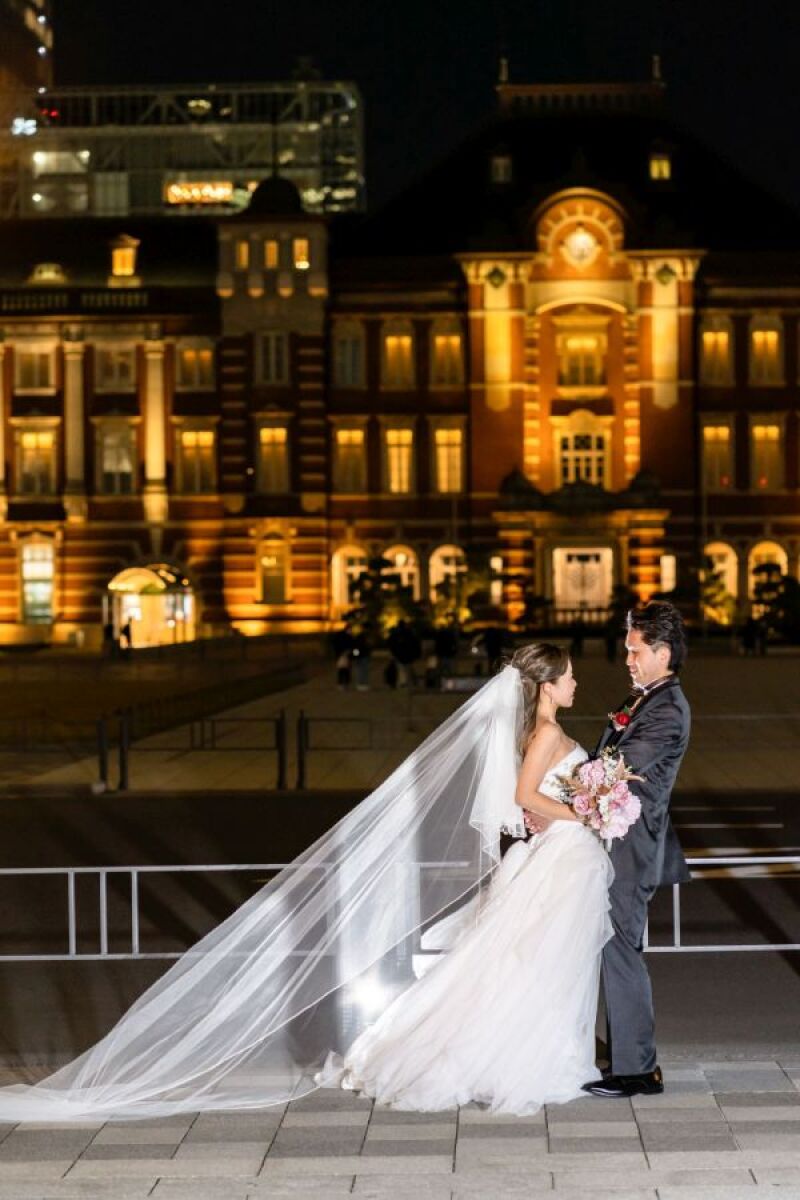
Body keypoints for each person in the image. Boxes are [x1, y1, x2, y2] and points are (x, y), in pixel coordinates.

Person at [0, 643, 615, 1122]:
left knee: (529, 963)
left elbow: (528, 801)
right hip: (557, 853)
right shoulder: (548, 736)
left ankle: (542, 1050)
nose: (575, 683)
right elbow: (523, 795)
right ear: (546, 686)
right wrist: (585, 810)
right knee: (530, 961)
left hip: (554, 853)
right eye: (567, 676)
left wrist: (574, 809)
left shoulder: (539, 733)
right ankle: (523, 1057)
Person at [582, 601, 691, 1100]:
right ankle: (623, 1059)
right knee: (614, 945)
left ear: (662, 652)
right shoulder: (647, 699)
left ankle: (638, 1070)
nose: (627, 658)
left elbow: (616, 770)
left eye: (635, 650)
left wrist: (554, 794)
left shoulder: (667, 709)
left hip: (632, 845)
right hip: (618, 840)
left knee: (621, 946)